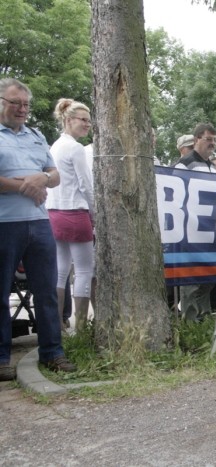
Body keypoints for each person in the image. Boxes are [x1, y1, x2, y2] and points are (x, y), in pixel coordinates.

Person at [0, 77, 76, 380]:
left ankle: (53, 352)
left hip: (40, 224)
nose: (22, 109)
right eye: (15, 103)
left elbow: (54, 174)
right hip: (5, 225)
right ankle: (2, 358)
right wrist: (25, 185)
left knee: (46, 291)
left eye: (26, 104)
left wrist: (41, 180)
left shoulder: (35, 135)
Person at [46, 98, 95, 331]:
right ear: (68, 119)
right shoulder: (75, 148)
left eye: (89, 121)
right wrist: (95, 212)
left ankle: (57, 326)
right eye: (83, 120)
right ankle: (81, 326)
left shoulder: (55, 145)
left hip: (54, 211)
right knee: (85, 270)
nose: (87, 124)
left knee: (61, 269)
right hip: (75, 212)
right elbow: (86, 185)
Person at [174, 123, 216, 320]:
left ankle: (204, 318)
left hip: (209, 230)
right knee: (191, 277)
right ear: (196, 140)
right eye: (209, 139)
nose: (212, 144)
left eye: (215, 140)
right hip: (190, 229)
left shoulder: (212, 167)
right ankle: (190, 321)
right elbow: (175, 193)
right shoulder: (184, 163)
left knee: (207, 276)